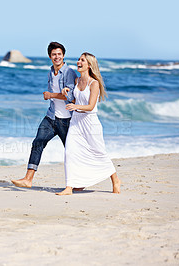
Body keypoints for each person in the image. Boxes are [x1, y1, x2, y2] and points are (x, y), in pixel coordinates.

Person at [11, 42, 77, 188]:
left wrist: (50, 95)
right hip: (51, 116)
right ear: (50, 56)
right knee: (38, 142)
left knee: (71, 152)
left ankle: (79, 182)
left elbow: (71, 96)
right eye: (54, 54)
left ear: (63, 55)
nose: (57, 57)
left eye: (59, 54)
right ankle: (28, 179)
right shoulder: (50, 71)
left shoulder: (69, 72)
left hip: (66, 120)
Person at [56, 52, 121, 195]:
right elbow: (75, 102)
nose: (79, 62)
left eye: (82, 60)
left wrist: (76, 106)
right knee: (71, 151)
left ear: (89, 65)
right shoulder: (77, 81)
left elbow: (91, 106)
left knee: (99, 152)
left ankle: (115, 180)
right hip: (76, 122)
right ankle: (70, 186)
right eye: (79, 59)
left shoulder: (94, 83)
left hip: (90, 123)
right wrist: (67, 95)